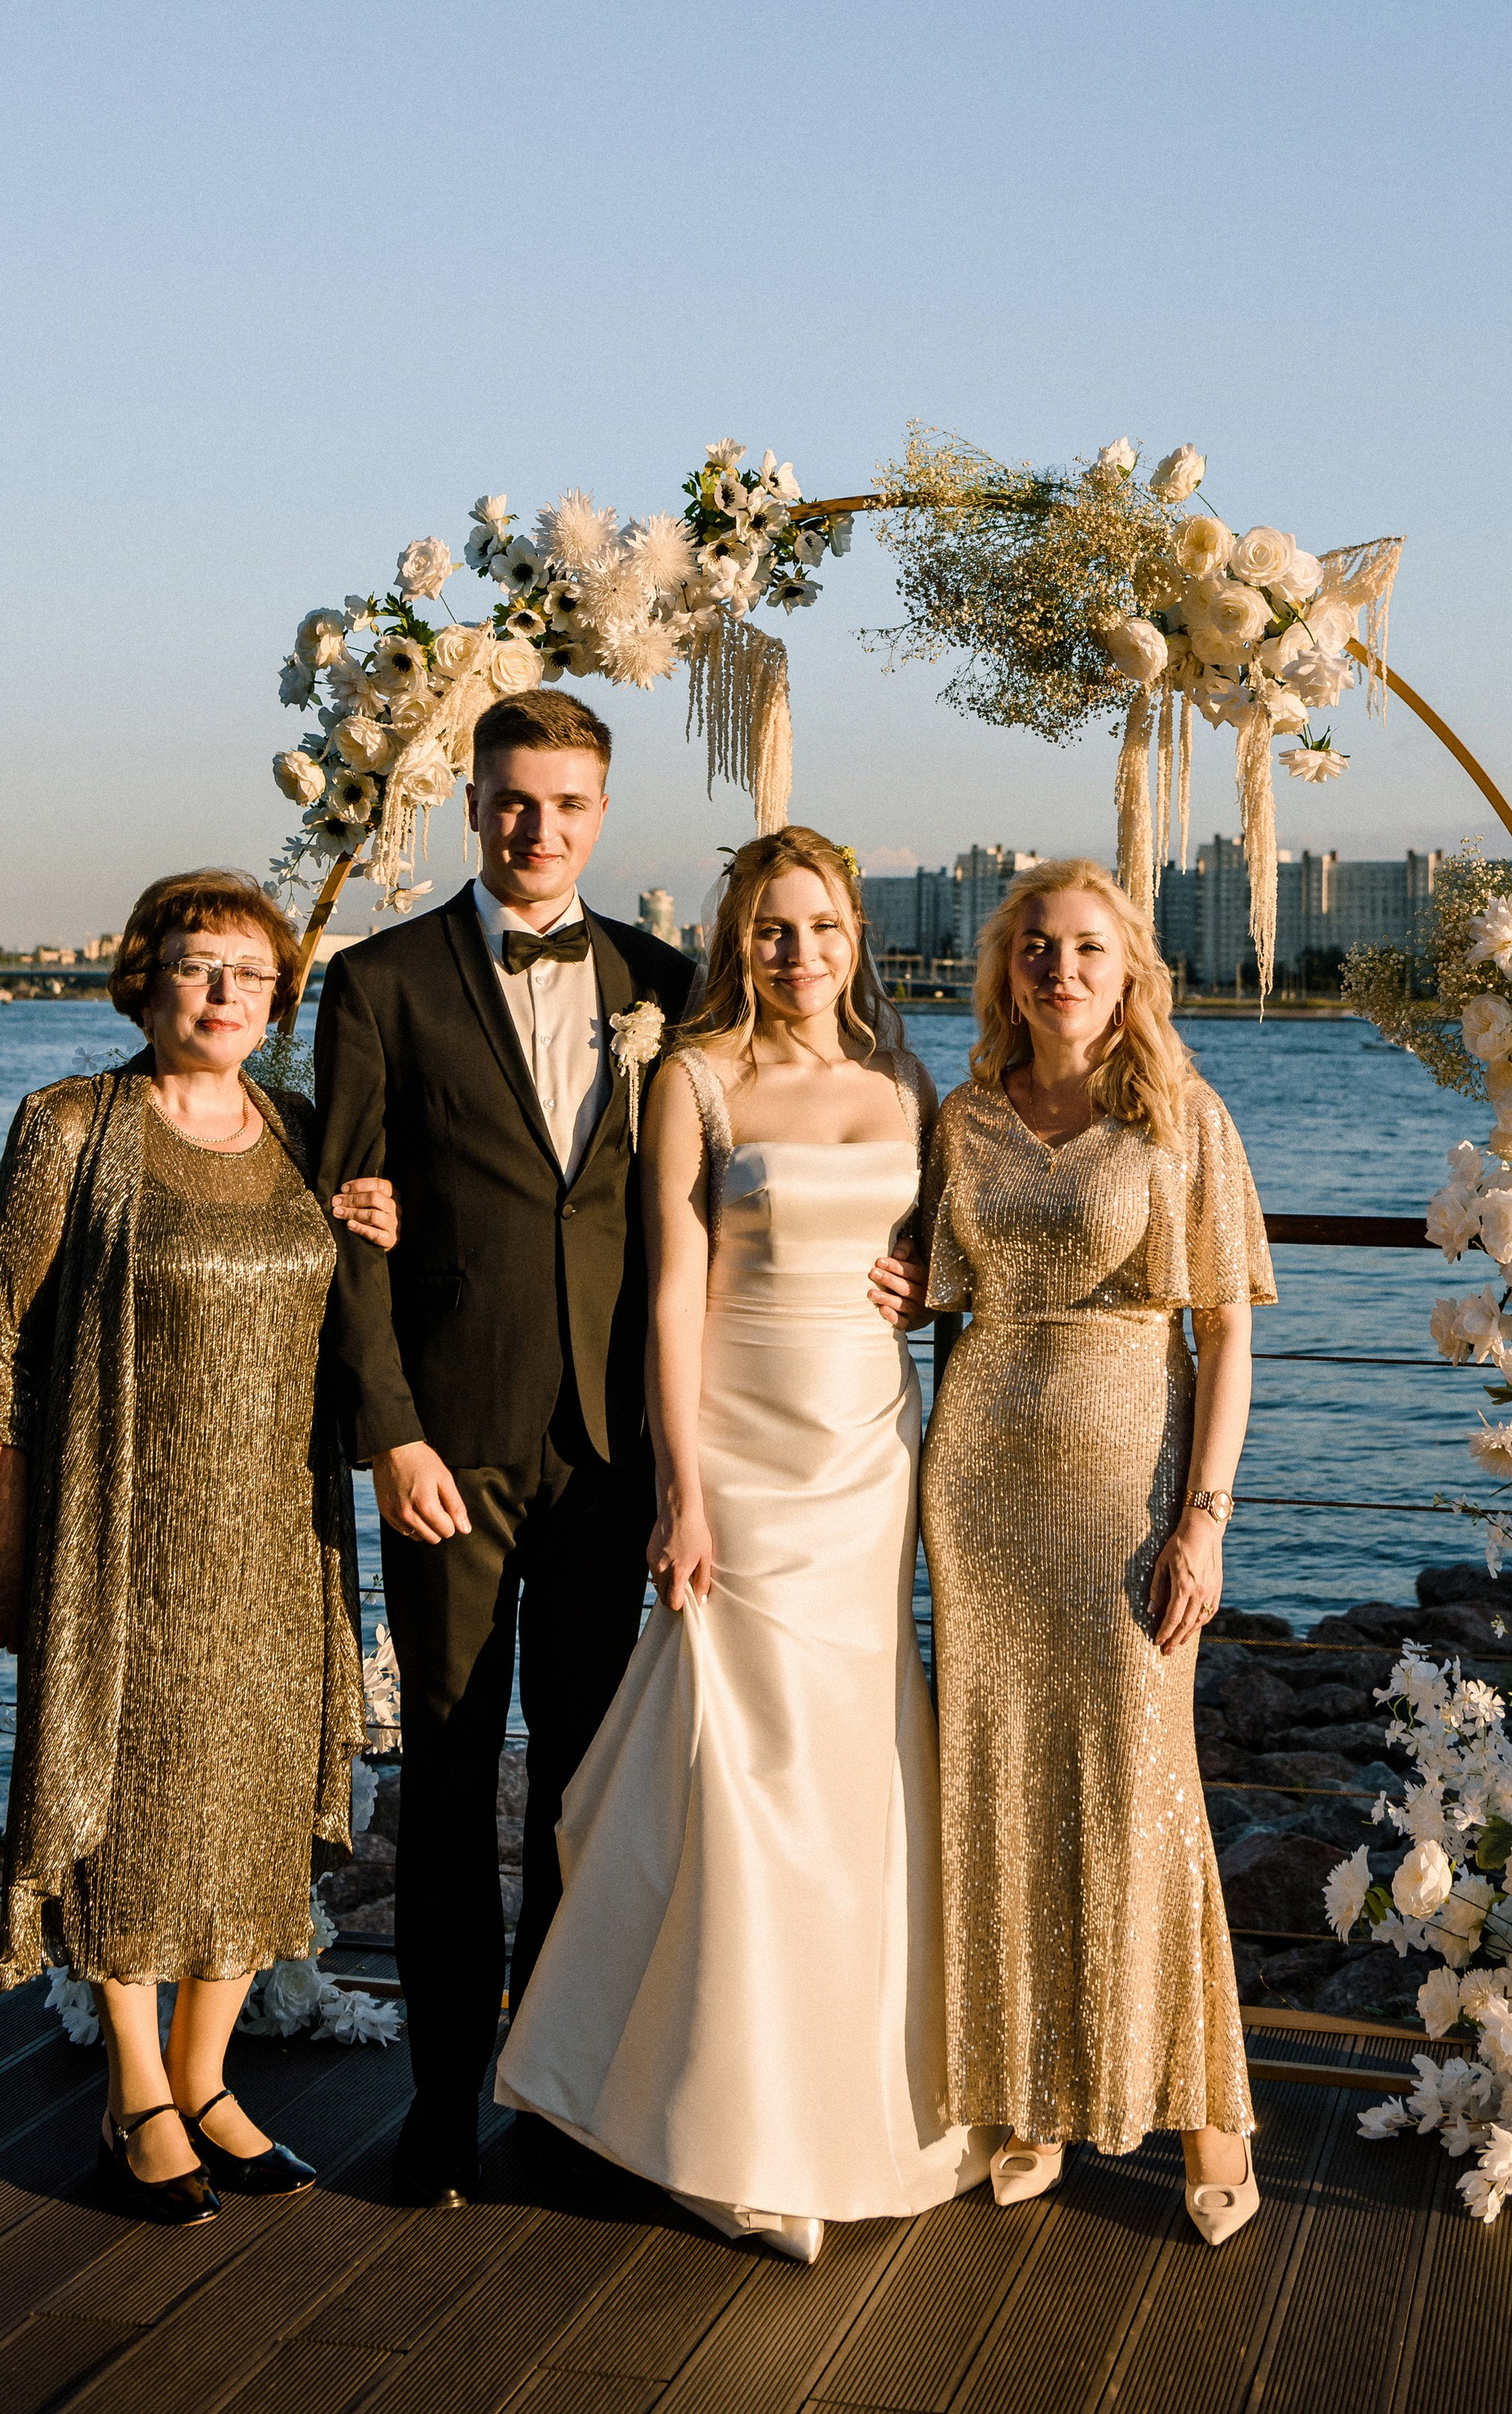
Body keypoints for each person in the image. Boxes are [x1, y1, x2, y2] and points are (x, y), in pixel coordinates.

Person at [496, 828, 993, 2262]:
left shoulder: (906, 1082)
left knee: (848, 1758)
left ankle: (838, 2089)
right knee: (738, 1760)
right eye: (771, 931)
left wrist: (924, 1281)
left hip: (866, 1444)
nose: (798, 954)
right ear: (737, 942)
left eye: (821, 927)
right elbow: (670, 1287)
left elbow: (956, 1251)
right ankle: (715, 2113)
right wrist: (682, 1488)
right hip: (745, 1443)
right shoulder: (697, 1081)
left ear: (855, 936)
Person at [0, 870, 401, 2226]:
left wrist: (378, 1234)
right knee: (131, 1819)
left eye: (252, 977)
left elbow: (351, 1332)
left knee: (256, 1814)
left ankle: (207, 2083)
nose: (224, 996)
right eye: (199, 968)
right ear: (143, 980)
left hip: (281, 1534)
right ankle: (135, 2096)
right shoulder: (71, 1128)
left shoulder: (301, 1130)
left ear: (278, 1002)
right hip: (119, 1540)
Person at [313, 689, 694, 2211]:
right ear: (470, 807)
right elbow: (343, 1220)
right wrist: (390, 1432)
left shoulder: (666, 980)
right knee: (454, 1775)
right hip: (448, 1454)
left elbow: (748, 1187)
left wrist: (897, 1262)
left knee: (583, 1791)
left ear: (605, 814)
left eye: (571, 804)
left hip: (614, 1454)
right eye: (514, 802)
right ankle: (434, 2102)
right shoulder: (381, 980)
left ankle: (557, 2084)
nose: (541, 830)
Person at [918, 859, 1273, 2247]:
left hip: (1132, 1488)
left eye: (1088, 950)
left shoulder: (1180, 1116)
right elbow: (920, 1281)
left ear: (1130, 973)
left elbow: (1231, 1328)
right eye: (1037, 950)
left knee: (1144, 1785)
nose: (1060, 971)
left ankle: (1206, 2109)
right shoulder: (959, 1120)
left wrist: (1206, 1516)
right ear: (1008, 969)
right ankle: (1033, 2094)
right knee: (997, 1784)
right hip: (982, 1482)